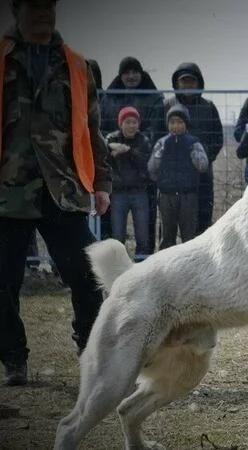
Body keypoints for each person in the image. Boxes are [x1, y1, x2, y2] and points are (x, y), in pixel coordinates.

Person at [0, 0, 111, 386]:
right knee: (3, 280)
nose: (43, 12)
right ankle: (14, 359)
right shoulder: (2, 59)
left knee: (86, 274)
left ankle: (92, 353)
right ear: (16, 10)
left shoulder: (79, 66)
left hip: (63, 189)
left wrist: (101, 184)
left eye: (49, 5)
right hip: (7, 192)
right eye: (34, 6)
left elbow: (92, 130)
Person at [103, 56, 165, 254]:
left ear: (141, 73)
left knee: (144, 225)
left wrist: (133, 145)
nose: (131, 76)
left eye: (134, 72)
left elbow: (155, 131)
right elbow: (102, 129)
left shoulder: (154, 98)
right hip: (117, 178)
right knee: (116, 228)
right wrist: (113, 144)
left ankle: (145, 260)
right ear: (120, 75)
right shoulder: (110, 97)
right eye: (126, 72)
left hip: (142, 174)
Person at [163, 63, 223, 234]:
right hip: (173, 177)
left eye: (191, 81)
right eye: (183, 81)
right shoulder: (167, 106)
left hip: (202, 175)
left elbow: (217, 138)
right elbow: (159, 135)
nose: (187, 85)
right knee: (170, 226)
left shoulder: (208, 107)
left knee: (203, 221)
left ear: (199, 83)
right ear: (176, 84)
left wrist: (203, 158)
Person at [148, 104, 208, 250]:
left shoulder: (193, 143)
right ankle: (166, 267)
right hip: (166, 196)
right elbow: (151, 168)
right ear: (167, 124)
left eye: (179, 122)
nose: (176, 126)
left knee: (189, 235)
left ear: (186, 124)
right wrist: (162, 181)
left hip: (188, 195)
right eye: (172, 122)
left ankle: (190, 265)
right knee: (167, 235)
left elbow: (203, 166)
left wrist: (193, 155)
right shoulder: (162, 143)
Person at [106, 106, 151, 256]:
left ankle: (141, 263)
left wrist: (128, 151)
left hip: (139, 192)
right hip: (118, 193)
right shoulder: (112, 138)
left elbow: (145, 162)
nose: (131, 126)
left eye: (134, 122)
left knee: (142, 234)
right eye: (128, 122)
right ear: (120, 123)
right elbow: (103, 150)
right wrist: (112, 146)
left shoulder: (144, 140)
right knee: (118, 234)